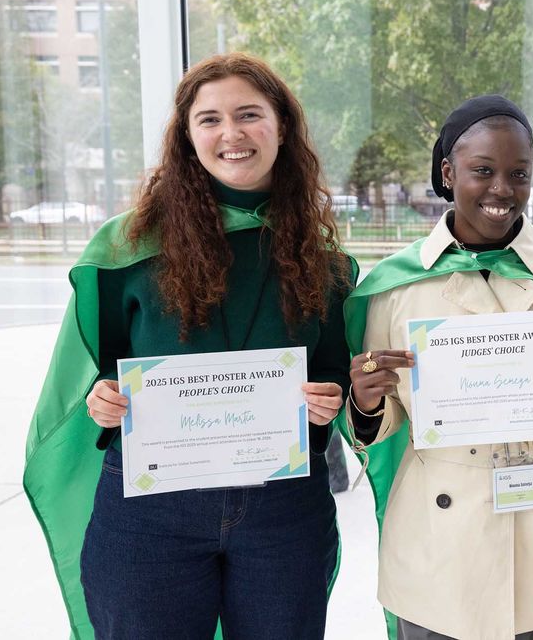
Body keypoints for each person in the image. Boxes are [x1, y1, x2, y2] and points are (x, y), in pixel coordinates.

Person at [22, 53, 355, 639]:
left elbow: (334, 375)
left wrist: (329, 401)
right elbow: (98, 377)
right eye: (210, 119)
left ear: (282, 127)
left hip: (282, 508)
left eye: (249, 114)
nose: (232, 133)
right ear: (186, 136)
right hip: (152, 512)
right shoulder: (125, 251)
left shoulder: (323, 260)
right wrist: (102, 402)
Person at [340, 95, 533, 640]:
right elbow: (378, 428)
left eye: (518, 174)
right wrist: (366, 400)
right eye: (482, 171)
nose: (502, 189)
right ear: (448, 173)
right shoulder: (394, 289)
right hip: (439, 548)